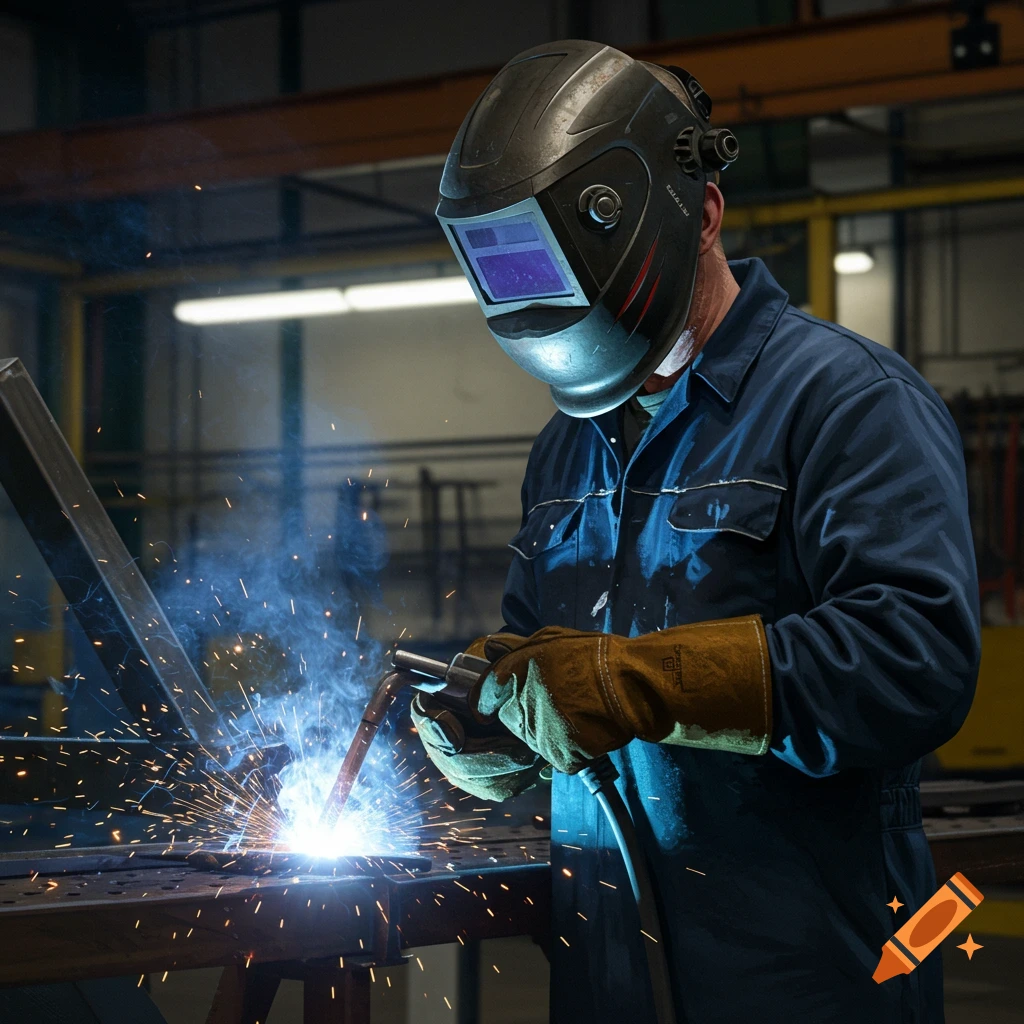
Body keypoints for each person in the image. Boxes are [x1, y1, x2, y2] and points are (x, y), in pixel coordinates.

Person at [413, 40, 980, 1024]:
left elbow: (915, 660)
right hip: (605, 976)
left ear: (701, 215)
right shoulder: (566, 449)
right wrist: (491, 722)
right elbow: (543, 662)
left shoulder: (845, 402)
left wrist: (643, 683)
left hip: (809, 980)